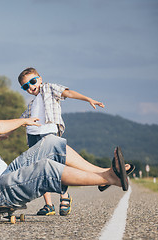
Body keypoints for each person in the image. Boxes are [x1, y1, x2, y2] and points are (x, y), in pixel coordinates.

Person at [0, 92, 131, 220]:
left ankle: (105, 174)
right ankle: (110, 178)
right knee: (46, 168)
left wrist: (24, 120)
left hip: (7, 175)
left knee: (51, 142)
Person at [16, 67, 105, 216]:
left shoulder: (49, 88)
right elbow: (21, 120)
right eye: (26, 86)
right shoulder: (31, 104)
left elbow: (68, 93)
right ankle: (48, 205)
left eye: (33, 81)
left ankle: (64, 196)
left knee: (57, 165)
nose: (31, 87)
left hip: (49, 132)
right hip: (33, 135)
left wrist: (88, 99)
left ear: (40, 79)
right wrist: (6, 132)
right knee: (41, 169)